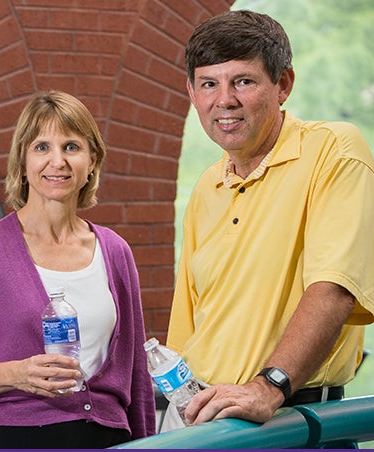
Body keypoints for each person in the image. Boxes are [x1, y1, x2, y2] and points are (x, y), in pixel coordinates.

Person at [167, 9, 374, 431]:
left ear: (283, 85)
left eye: (243, 81)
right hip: (202, 421)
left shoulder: (335, 151)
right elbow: (188, 330)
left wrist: (269, 386)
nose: (224, 100)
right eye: (209, 84)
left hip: (288, 417)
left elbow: (334, 290)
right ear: (192, 92)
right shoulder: (208, 185)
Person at [0, 90, 155, 448]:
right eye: (42, 147)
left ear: (92, 160)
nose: (57, 161)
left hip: (107, 438)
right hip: (16, 437)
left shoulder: (114, 251)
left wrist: (147, 445)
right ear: (22, 160)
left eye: (71, 147)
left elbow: (137, 377)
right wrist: (18, 374)